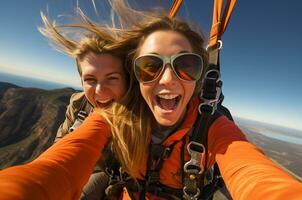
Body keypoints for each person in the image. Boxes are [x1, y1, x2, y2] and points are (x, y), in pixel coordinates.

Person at [0, 1, 302, 200]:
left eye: (186, 65)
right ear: (136, 76)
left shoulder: (211, 126)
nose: (168, 80)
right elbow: (60, 166)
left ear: (199, 77)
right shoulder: (116, 116)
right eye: (150, 66)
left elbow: (253, 173)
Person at [39, 12, 130, 200]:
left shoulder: (141, 111)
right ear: (80, 80)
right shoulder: (79, 104)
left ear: (127, 79)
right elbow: (60, 144)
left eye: (112, 78)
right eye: (90, 79)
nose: (100, 91)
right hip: (86, 168)